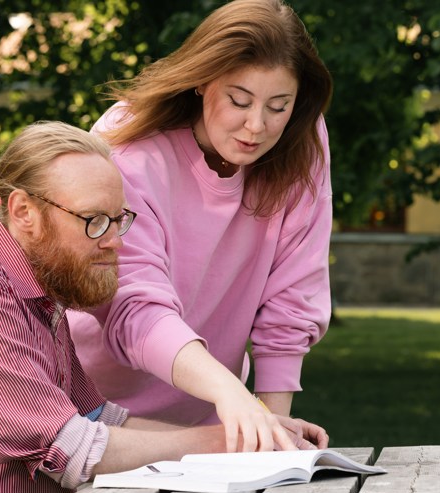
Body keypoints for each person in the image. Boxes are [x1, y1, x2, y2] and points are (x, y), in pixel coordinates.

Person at [0, 121, 320, 493]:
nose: (115, 242)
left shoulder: (40, 292)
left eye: (118, 220)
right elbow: (70, 450)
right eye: (94, 221)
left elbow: (97, 419)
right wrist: (226, 444)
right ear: (23, 213)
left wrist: (263, 431)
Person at [68, 0, 334, 453]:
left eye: (278, 105)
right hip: (92, 416)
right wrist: (232, 394)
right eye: (239, 100)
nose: (257, 125)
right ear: (201, 80)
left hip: (214, 417)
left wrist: (271, 427)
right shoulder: (127, 144)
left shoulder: (301, 144)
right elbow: (133, 309)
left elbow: (293, 296)